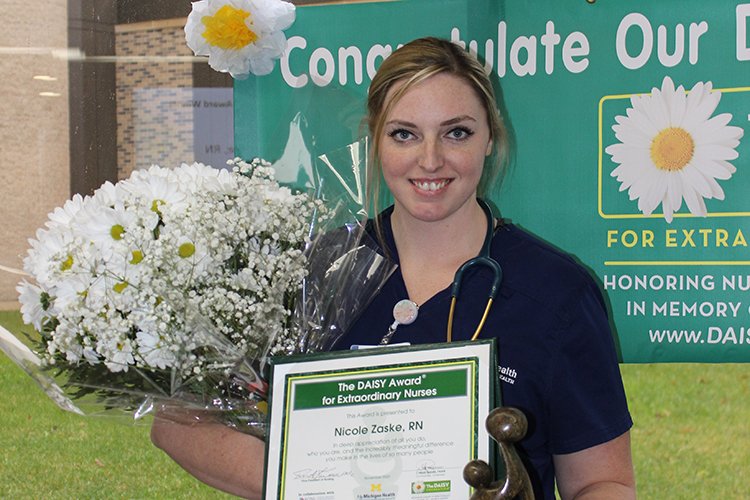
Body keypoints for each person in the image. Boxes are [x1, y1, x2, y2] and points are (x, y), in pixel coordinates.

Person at [151, 36, 635, 499]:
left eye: (457, 132)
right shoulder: (312, 272)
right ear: (375, 139)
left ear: (491, 137)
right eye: (404, 134)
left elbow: (603, 483)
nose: (430, 160)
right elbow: (177, 421)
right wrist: (314, 482)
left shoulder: (557, 295)